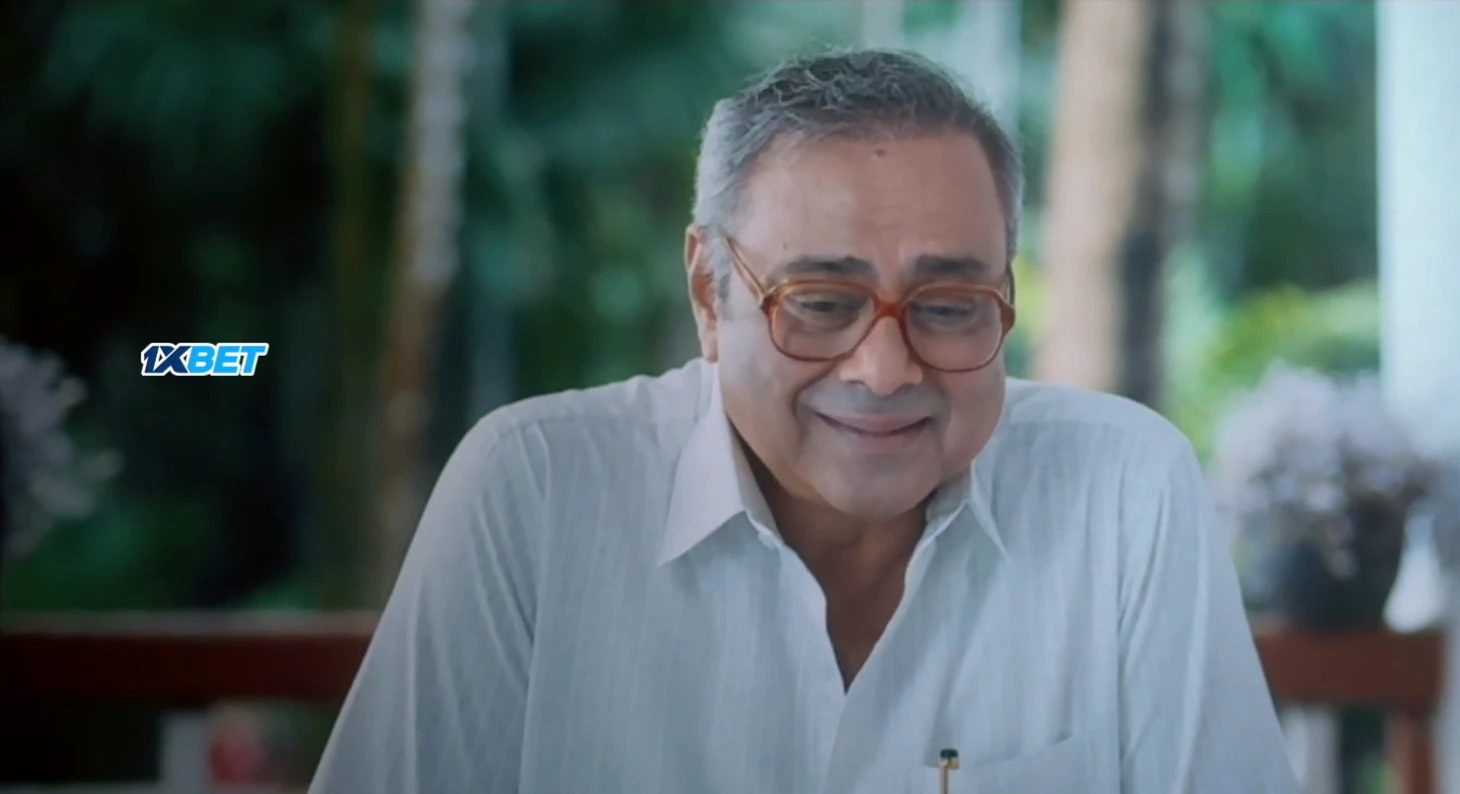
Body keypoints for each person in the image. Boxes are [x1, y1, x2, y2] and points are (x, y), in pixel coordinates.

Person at [312, 49, 1296, 794]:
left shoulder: (1125, 492)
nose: (884, 370)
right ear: (709, 293)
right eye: (820, 303)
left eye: (949, 306)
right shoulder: (533, 494)